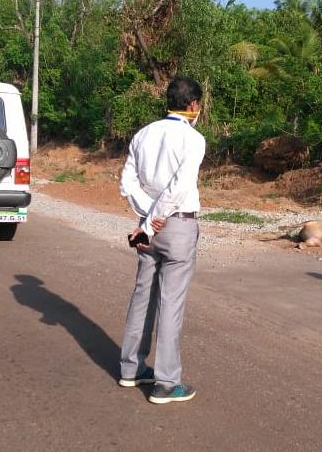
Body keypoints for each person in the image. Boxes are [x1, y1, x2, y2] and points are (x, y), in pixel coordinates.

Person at [117, 75, 206, 404]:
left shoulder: (143, 134)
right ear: (193, 105)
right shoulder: (193, 139)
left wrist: (146, 221)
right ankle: (166, 383)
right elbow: (179, 188)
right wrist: (155, 222)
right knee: (171, 304)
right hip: (176, 225)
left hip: (146, 227)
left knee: (142, 296)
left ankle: (131, 368)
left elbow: (127, 184)